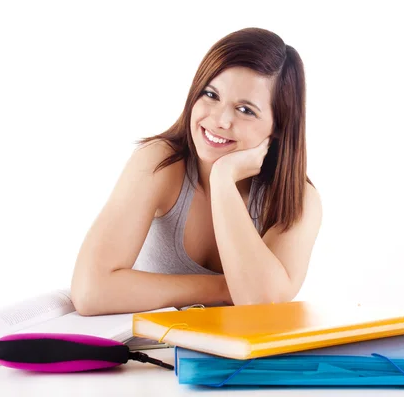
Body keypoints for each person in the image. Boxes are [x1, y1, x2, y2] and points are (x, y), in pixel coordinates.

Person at [71, 27, 322, 315]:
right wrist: (222, 288)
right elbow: (90, 291)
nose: (220, 120)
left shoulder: (297, 200)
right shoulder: (160, 163)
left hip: (236, 359)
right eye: (211, 94)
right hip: (149, 355)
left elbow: (260, 305)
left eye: (246, 110)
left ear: (279, 126)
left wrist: (224, 180)